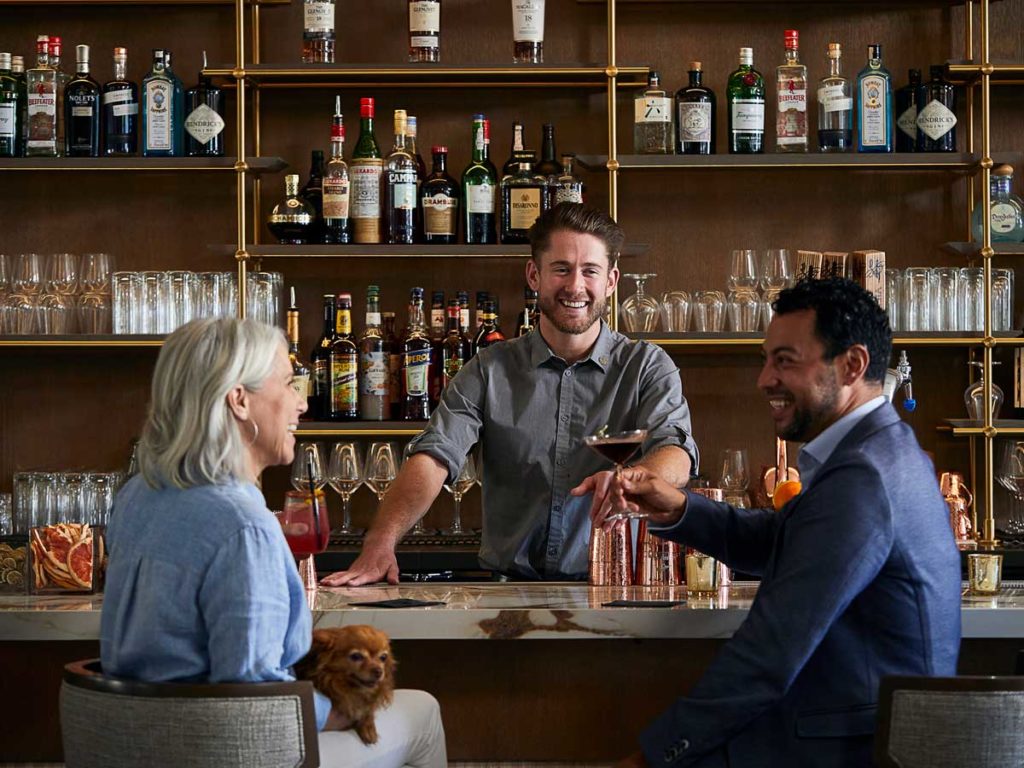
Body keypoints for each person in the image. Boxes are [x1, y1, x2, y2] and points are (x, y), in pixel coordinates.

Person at [589, 278, 962, 768]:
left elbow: (771, 651)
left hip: (844, 747)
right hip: (849, 731)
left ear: (852, 365)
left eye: (785, 360)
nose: (764, 379)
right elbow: (785, 540)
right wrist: (679, 507)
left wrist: (654, 757)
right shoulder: (880, 450)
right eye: (766, 359)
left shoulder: (863, 476)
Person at [100, 317, 447, 768]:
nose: (302, 402)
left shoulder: (136, 497)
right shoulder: (243, 525)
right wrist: (341, 713)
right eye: (288, 383)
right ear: (239, 401)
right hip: (222, 752)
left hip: (138, 745)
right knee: (421, 712)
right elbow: (257, 699)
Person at [324, 203, 698, 584]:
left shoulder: (646, 366)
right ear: (534, 275)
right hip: (508, 592)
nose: (575, 286)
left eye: (590, 271)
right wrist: (380, 543)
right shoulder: (489, 369)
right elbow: (434, 455)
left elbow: (677, 453)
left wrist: (630, 480)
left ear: (611, 281)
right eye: (561, 269)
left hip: (616, 587)